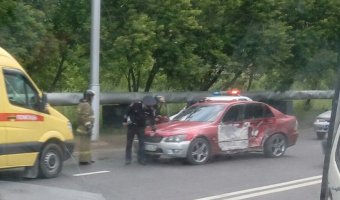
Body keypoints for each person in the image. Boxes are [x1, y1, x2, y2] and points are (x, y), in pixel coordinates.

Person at [123, 95, 157, 165]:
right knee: (129, 143)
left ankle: (141, 159)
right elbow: (127, 112)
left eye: (149, 106)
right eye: (147, 106)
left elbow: (152, 119)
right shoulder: (135, 105)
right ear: (144, 103)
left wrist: (153, 128)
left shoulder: (150, 109)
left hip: (141, 127)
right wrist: (124, 121)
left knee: (142, 143)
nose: (148, 107)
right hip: (131, 126)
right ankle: (128, 159)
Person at [76, 89, 95, 165]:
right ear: (88, 97)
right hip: (85, 128)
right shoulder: (86, 104)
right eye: (91, 97)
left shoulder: (81, 103)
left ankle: (87, 159)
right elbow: (85, 116)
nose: (92, 98)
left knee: (85, 145)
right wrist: (89, 126)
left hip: (82, 127)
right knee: (85, 145)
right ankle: (84, 160)